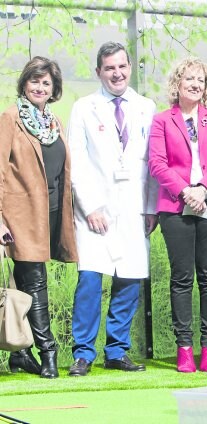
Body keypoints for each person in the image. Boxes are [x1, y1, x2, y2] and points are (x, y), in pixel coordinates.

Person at [67, 42, 158, 377]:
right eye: (109, 68)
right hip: (96, 209)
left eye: (122, 66)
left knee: (129, 280)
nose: (117, 74)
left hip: (134, 206)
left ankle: (117, 351)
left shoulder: (146, 106)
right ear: (98, 72)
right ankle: (83, 353)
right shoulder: (83, 107)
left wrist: (151, 208)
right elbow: (75, 161)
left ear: (130, 67)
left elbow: (153, 162)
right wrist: (90, 207)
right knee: (90, 280)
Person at [148, 57, 207, 373]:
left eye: (200, 79)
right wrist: (186, 191)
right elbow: (157, 164)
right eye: (189, 79)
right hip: (176, 206)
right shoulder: (162, 121)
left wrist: (203, 190)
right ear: (178, 84)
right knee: (182, 278)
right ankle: (184, 348)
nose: (195, 84)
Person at [0, 57, 77, 379]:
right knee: (36, 281)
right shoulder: (10, 118)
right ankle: (49, 353)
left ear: (54, 89)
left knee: (28, 282)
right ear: (24, 84)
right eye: (34, 81)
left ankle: (22, 354)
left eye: (46, 83)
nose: (40, 87)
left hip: (52, 213)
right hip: (20, 216)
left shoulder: (53, 123)